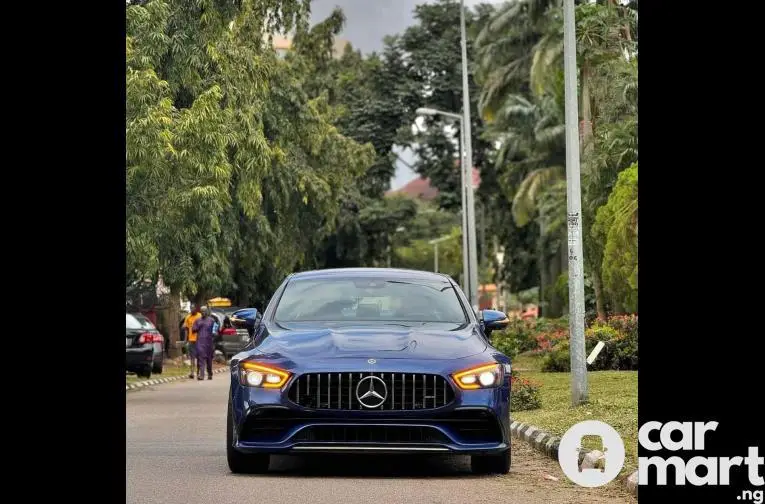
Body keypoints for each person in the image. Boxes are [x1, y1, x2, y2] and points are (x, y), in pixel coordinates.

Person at [192, 306, 216, 381]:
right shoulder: (197, 321)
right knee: (201, 359)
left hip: (209, 343)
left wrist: (215, 335)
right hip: (200, 342)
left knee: (209, 360)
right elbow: (193, 329)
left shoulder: (211, 320)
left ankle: (210, 374)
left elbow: (215, 331)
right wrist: (198, 326)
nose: (203, 313)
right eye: (202, 311)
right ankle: (201, 375)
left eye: (204, 311)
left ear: (207, 312)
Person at [182, 305, 202, 379]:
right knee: (192, 357)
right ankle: (192, 372)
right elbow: (186, 329)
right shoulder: (188, 317)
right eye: (191, 308)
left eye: (193, 308)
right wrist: (185, 339)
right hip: (191, 340)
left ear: (196, 309)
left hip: (199, 339)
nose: (192, 310)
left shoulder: (200, 316)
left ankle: (199, 372)